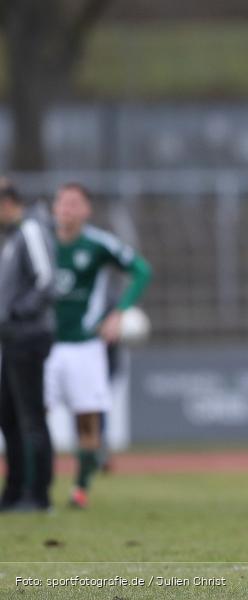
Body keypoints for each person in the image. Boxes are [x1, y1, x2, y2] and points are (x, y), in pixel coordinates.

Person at [45, 183, 152, 508]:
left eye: (75, 203)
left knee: (86, 420)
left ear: (86, 210)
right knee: (31, 417)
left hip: (84, 345)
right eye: (63, 202)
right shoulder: (41, 242)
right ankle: (32, 488)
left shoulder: (97, 243)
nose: (68, 209)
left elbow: (142, 270)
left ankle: (80, 488)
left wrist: (118, 313)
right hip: (42, 345)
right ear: (54, 208)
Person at [0, 181, 56, 512]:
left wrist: (19, 312)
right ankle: (15, 490)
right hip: (11, 339)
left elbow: (46, 279)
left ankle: (38, 495)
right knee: (7, 415)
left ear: (8, 202)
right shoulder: (13, 237)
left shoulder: (31, 230)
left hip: (28, 336)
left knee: (30, 417)